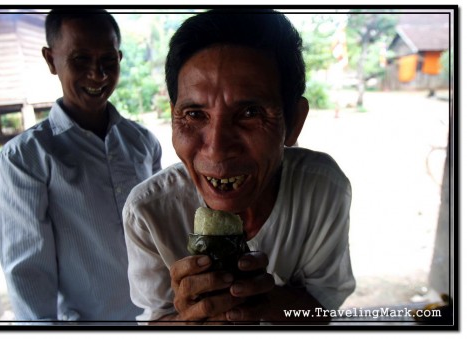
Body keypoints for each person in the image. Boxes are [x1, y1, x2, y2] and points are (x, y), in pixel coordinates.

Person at [123, 9, 355, 324]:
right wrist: (188, 320)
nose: (217, 149)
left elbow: (321, 311)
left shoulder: (321, 188)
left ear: (294, 122)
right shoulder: (149, 212)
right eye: (194, 114)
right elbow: (155, 319)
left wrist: (262, 298)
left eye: (249, 112)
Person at [0, 9, 162, 321]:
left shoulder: (143, 143)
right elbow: (27, 271)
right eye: (80, 59)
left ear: (120, 58)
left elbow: (161, 235)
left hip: (159, 318)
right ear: (50, 60)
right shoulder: (26, 158)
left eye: (108, 60)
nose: (97, 74)